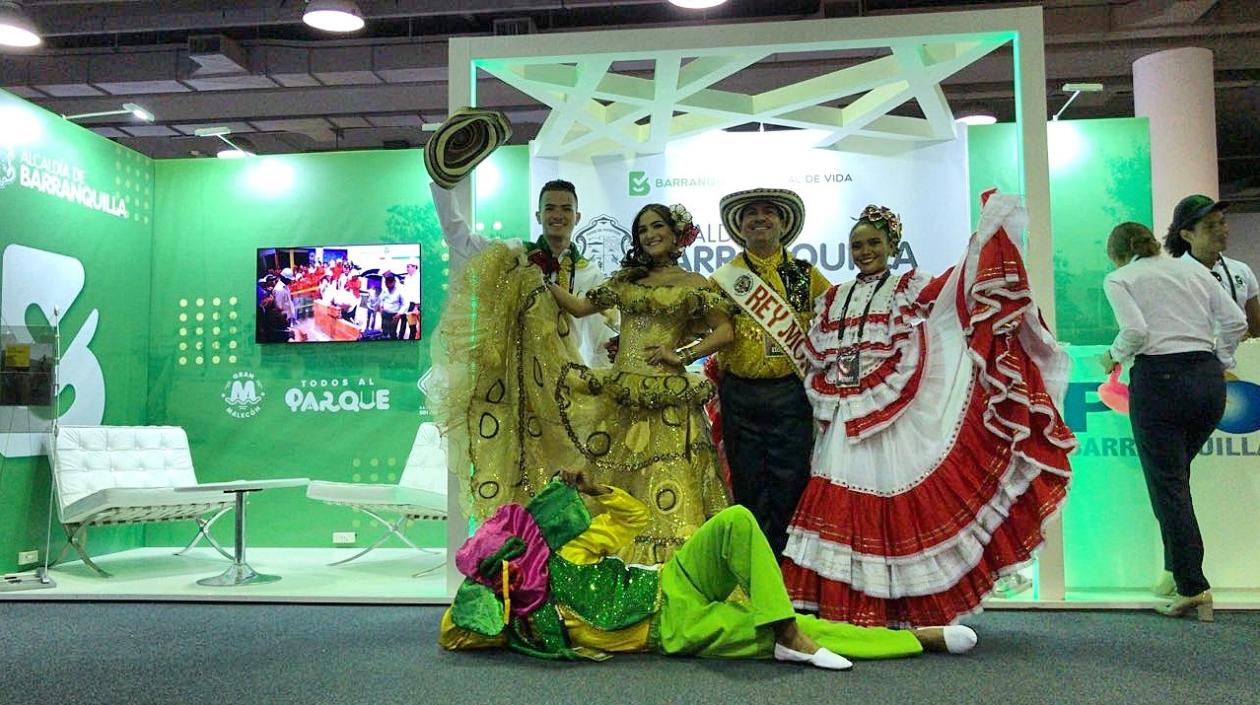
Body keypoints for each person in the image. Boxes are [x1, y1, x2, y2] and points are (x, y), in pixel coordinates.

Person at [780, 193, 1076, 628]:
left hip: (890, 411)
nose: (865, 252)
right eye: (857, 245)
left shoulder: (908, 285)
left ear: (892, 246)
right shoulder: (834, 297)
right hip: (842, 411)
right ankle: (837, 607)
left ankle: (895, 609)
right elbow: (818, 351)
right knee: (835, 495)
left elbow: (953, 295)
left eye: (874, 244)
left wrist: (982, 243)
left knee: (885, 495)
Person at [438, 470, 978, 668]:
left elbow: (635, 516)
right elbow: (451, 637)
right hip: (671, 631)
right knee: (797, 630)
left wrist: (595, 492)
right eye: (503, 559)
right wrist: (490, 596)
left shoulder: (571, 553)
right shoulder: (518, 622)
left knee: (738, 520)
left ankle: (784, 628)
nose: (517, 562)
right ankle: (915, 639)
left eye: (515, 550)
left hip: (674, 579)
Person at [544, 203, 734, 563]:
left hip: (667, 402)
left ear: (676, 233)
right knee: (611, 480)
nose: (649, 234)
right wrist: (540, 281)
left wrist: (683, 353)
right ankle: (611, 569)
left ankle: (667, 575)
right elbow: (580, 307)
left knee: (667, 483)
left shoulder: (694, 284)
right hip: (622, 399)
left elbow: (725, 330)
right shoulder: (627, 280)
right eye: (642, 229)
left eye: (657, 226)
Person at [1103, 221, 1247, 622]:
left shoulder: (1120, 278)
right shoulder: (1193, 270)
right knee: (1175, 481)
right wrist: (1222, 360)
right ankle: (1174, 568)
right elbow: (1236, 320)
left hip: (1159, 384)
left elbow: (1134, 331)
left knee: (1168, 487)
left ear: (1116, 253)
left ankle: (1192, 587)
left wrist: (1113, 355)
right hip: (1207, 383)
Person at [708, 188, 830, 560]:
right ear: (740, 226)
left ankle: (791, 571)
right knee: (747, 483)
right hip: (739, 393)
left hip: (790, 393)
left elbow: (830, 325)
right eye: (751, 214)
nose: (760, 219)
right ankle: (756, 567)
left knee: (791, 481)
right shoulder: (724, 280)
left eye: (768, 213)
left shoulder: (807, 276)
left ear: (782, 223)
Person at [430, 177, 616, 365]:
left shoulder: (591, 273)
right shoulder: (518, 254)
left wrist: (602, 384)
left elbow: (600, 340)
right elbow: (461, 241)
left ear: (577, 217)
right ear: (538, 215)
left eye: (566, 209)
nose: (558, 215)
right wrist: (443, 185)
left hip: (569, 377)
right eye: (550, 208)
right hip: (519, 375)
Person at [1164, 194, 1260, 339]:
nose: (1221, 230)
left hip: (1242, 357)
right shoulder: (1172, 277)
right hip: (1196, 359)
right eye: (1209, 226)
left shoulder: (1241, 270)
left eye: (1222, 222)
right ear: (1187, 235)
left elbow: (1256, 326)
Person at [376, 273, 406, 339]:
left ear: (394, 282)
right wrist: (381, 307)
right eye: (386, 283)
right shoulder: (385, 290)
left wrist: (399, 314)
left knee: (392, 333)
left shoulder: (399, 291)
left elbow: (404, 304)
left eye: (390, 283)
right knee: (384, 331)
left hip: (394, 315)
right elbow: (381, 299)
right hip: (385, 314)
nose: (388, 285)